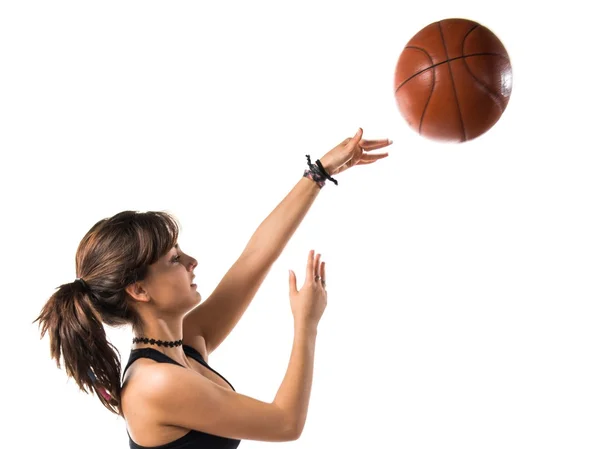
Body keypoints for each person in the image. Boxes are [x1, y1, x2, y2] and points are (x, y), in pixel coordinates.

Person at [34, 128, 391, 448]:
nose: (192, 262)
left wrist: (319, 173)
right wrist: (306, 324)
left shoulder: (183, 344)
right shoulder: (156, 383)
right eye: (175, 259)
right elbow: (285, 423)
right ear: (139, 290)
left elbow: (255, 258)